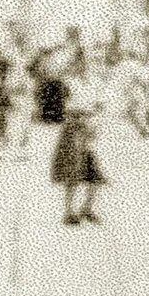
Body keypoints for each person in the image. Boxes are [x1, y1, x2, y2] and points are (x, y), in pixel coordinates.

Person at [51, 95, 105, 226]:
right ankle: (69, 212)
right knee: (72, 184)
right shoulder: (68, 130)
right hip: (72, 158)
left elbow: (90, 138)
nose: (79, 118)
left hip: (85, 155)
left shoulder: (84, 126)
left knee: (94, 182)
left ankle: (86, 209)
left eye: (82, 115)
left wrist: (89, 132)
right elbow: (65, 148)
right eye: (76, 116)